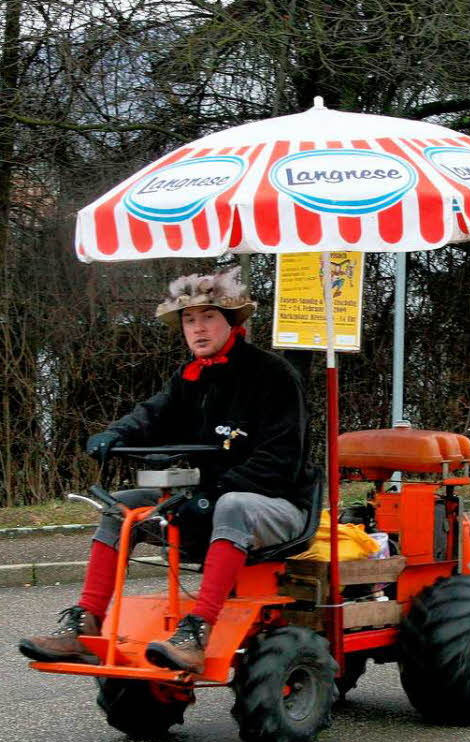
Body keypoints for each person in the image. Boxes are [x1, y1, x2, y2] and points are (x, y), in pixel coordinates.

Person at [19, 267, 317, 674]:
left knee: (231, 505)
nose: (198, 329)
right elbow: (152, 414)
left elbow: (281, 459)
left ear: (231, 322)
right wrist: (114, 434)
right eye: (189, 320)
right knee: (120, 508)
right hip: (205, 499)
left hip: (279, 508)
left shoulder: (274, 375)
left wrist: (213, 494)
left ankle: (197, 632)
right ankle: (85, 623)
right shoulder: (191, 377)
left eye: (208, 317)